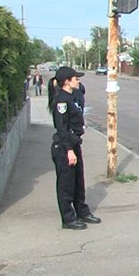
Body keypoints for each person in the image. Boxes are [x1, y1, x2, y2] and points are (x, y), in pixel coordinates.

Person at [47, 66, 101, 230]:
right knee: (66, 184)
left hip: (74, 144)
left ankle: (82, 212)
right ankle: (68, 219)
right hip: (64, 148)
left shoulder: (72, 97)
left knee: (78, 181)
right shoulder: (61, 101)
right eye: (75, 79)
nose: (78, 81)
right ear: (67, 82)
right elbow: (62, 128)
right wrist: (69, 151)